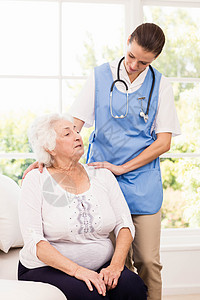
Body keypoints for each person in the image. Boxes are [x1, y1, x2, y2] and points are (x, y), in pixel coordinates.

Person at [69, 23, 181, 300]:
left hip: (141, 183)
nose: (134, 65)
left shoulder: (161, 85)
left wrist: (121, 168)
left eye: (144, 62)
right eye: (131, 56)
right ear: (127, 41)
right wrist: (49, 158)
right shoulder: (99, 77)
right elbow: (74, 125)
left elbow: (164, 141)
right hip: (101, 182)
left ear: (155, 59)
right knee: (112, 263)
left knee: (147, 262)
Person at [18, 113, 147, 300]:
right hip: (46, 269)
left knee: (132, 286)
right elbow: (34, 241)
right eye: (67, 134)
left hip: (102, 264)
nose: (77, 136)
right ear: (50, 147)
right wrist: (78, 271)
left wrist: (116, 266)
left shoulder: (103, 175)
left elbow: (124, 223)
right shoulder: (35, 179)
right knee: (91, 295)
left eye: (76, 131)